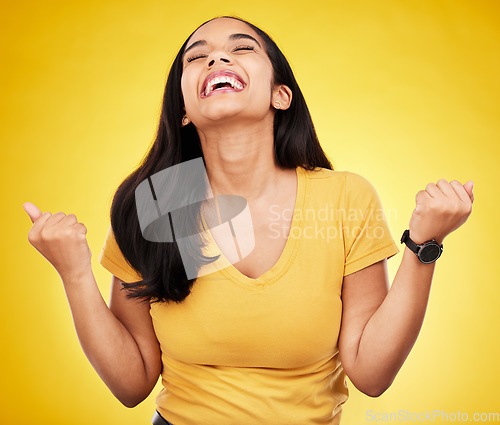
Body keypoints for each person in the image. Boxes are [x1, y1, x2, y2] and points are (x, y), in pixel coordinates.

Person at [23, 15, 474, 425]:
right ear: (183, 109)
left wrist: (424, 245)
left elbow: (371, 374)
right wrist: (75, 273)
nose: (216, 56)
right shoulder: (157, 203)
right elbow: (132, 383)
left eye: (242, 49)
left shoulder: (344, 197)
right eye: (195, 57)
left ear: (282, 95)